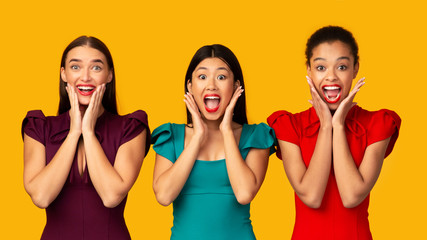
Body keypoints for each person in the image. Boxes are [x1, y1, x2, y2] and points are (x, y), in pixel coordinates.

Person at [267, 26, 401, 240]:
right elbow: (311, 196)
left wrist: (337, 125)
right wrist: (326, 126)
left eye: (341, 66)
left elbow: (351, 196)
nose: (331, 77)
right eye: (321, 67)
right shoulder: (289, 125)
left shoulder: (378, 124)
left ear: (355, 69)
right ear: (308, 70)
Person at [22, 36, 150, 240]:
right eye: (75, 67)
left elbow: (111, 196)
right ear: (63, 73)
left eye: (96, 68)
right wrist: (74, 133)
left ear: (109, 75)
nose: (86, 77)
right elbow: (41, 196)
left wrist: (88, 132)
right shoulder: (39, 127)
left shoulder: (131, 128)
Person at [152, 44, 275, 240]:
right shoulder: (171, 135)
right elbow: (164, 196)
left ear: (236, 86)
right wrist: (197, 137)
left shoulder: (256, 136)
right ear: (190, 86)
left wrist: (226, 130)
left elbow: (244, 193)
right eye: (202, 77)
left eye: (221, 77)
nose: (211, 85)